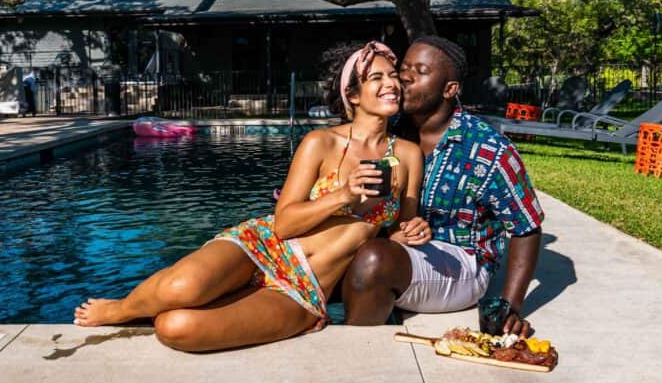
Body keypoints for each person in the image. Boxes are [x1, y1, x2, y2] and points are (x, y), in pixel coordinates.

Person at [74, 41, 432, 351]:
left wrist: (410, 232)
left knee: (175, 328)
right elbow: (285, 224)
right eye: (377, 78)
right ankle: (122, 309)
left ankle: (189, 303)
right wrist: (343, 194)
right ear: (352, 95)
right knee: (184, 286)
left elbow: (401, 227)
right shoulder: (321, 143)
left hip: (305, 289)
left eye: (393, 76)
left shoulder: (408, 153)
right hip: (264, 247)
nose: (392, 85)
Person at [341, 36, 544, 337]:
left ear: (450, 89)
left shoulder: (487, 148)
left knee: (374, 261)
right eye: (405, 67)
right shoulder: (392, 131)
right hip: (399, 246)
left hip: (460, 261)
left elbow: (526, 226)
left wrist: (508, 307)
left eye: (420, 71)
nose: (404, 77)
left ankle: (360, 351)